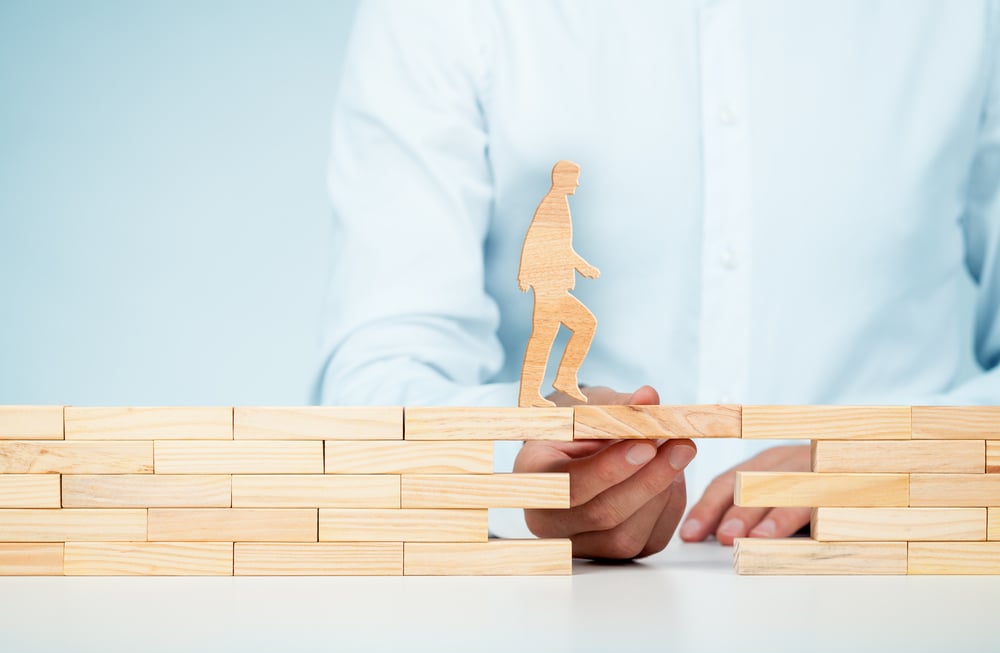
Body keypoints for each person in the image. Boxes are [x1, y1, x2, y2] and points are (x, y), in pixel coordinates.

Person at [318, 0, 1000, 559]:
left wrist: (912, 462)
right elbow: (373, 391)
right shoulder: (441, 16)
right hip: (560, 624)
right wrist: (521, 473)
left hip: (914, 598)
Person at [518, 159, 599, 407]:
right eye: (574, 177)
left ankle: (548, 385)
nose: (577, 182)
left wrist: (582, 266)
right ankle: (551, 384)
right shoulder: (553, 206)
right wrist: (525, 274)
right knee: (580, 326)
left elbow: (558, 247)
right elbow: (537, 241)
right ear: (562, 179)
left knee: (547, 336)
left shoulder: (557, 205)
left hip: (551, 286)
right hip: (549, 288)